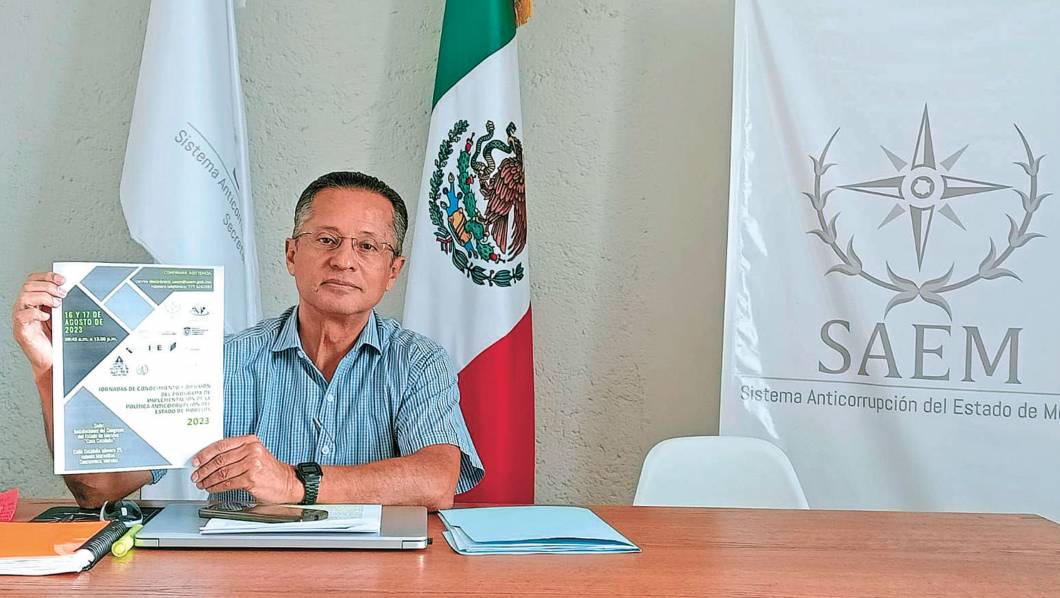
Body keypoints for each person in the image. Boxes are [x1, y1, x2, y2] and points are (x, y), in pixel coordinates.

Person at [11, 171, 483, 510]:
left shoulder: (419, 361)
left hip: (378, 573)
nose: (344, 260)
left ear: (392, 271)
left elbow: (436, 481)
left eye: (367, 245)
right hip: (238, 572)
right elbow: (99, 488)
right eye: (326, 239)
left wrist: (293, 483)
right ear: (291, 254)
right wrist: (50, 372)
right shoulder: (217, 360)